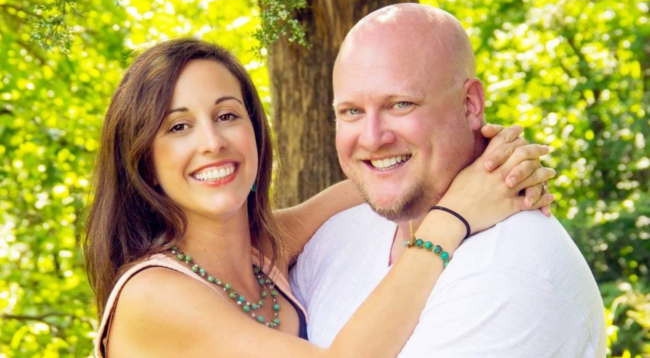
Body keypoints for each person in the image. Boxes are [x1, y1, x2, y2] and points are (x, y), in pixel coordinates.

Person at [84, 39, 553, 357]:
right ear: (142, 156)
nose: (212, 143)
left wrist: (488, 167)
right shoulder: (153, 296)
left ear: (254, 131)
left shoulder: (263, 248)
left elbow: (367, 185)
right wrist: (452, 219)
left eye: (227, 115)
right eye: (179, 127)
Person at [290, 3, 607, 358]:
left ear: (470, 104)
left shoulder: (508, 272)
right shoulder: (335, 239)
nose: (372, 138)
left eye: (400, 104)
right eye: (351, 112)